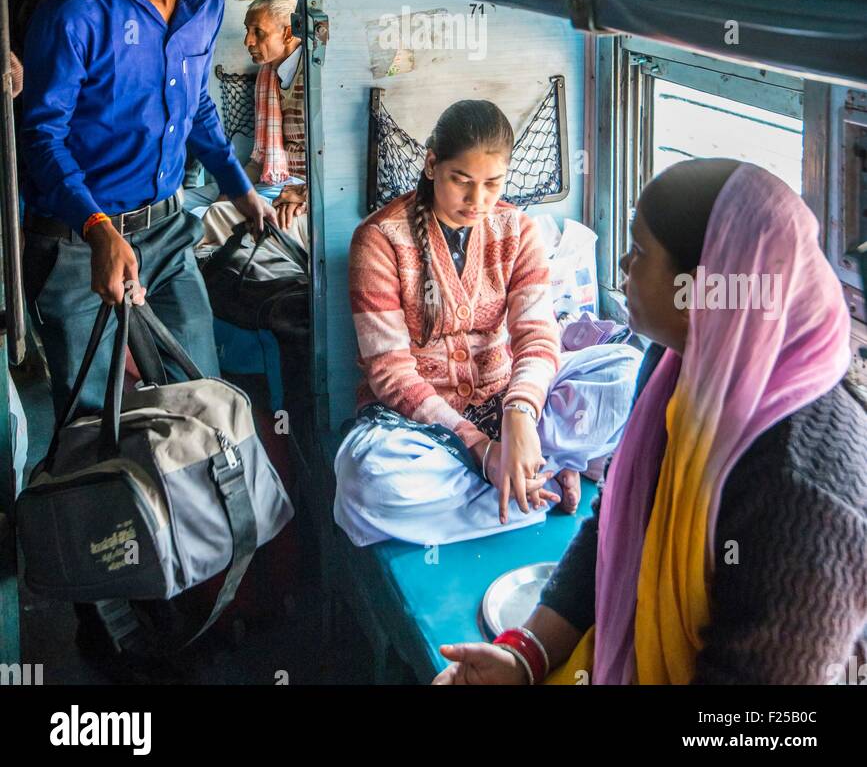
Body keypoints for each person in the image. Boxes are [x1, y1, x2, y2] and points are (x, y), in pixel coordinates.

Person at [433, 160, 867, 686]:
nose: (621, 263)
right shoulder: (674, 367)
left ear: (701, 290)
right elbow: (617, 522)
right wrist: (526, 656)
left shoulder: (803, 488)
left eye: (639, 253)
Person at [20, 0, 276, 418]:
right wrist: (96, 229)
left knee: (204, 406)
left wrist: (240, 190)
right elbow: (41, 137)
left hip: (165, 236)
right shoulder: (72, 19)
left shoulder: (205, 1)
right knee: (95, 421)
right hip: (75, 246)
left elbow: (196, 109)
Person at [333, 100, 642, 546]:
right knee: (368, 481)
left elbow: (538, 337)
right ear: (432, 163)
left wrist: (519, 415)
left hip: (513, 404)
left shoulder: (518, 230)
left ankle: (522, 470)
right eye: (462, 181)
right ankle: (537, 478)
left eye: (493, 184)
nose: (477, 201)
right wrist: (480, 448)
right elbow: (390, 374)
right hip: (424, 430)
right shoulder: (379, 240)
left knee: (628, 373)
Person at [197, 0, 308, 249]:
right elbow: (259, 160)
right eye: (248, 31)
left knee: (208, 217)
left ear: (288, 33)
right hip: (274, 182)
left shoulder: (315, 76)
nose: (248, 41)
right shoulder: (268, 75)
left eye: (258, 32)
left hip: (295, 190)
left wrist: (306, 194)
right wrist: (231, 189)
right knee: (181, 204)